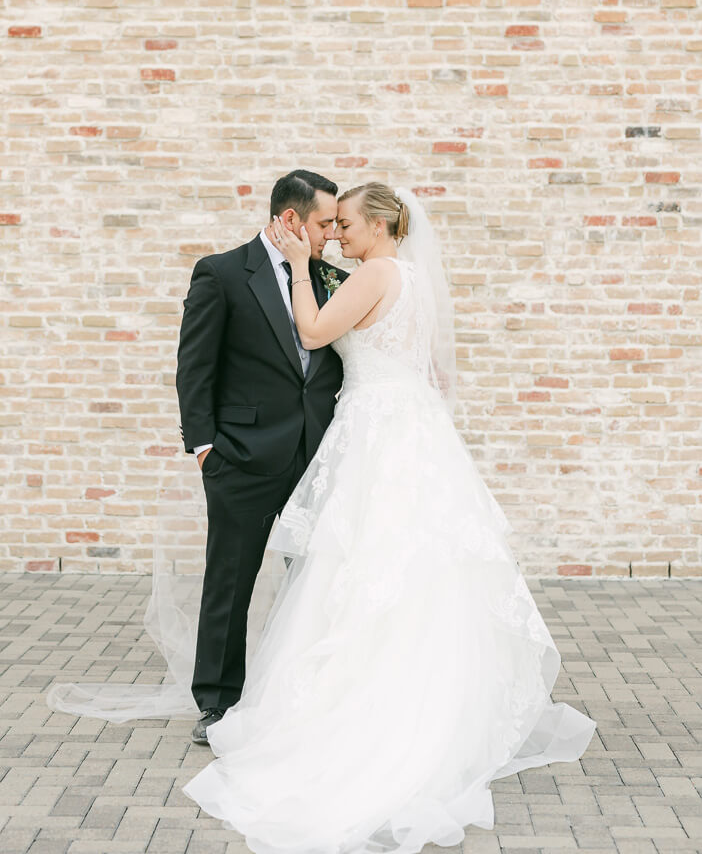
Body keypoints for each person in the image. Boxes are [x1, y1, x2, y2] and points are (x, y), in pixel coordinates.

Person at [182, 183, 597, 853]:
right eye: (331, 224)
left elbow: (315, 332)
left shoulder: (372, 272)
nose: (337, 236)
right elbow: (431, 371)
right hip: (412, 434)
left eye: (345, 223)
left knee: (360, 568)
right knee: (408, 571)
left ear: (378, 223)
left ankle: (361, 716)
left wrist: (295, 270)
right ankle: (426, 710)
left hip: (375, 436)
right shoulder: (413, 279)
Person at [175, 169, 349, 744]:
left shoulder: (329, 277)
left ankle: (305, 697)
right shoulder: (223, 273)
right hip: (241, 460)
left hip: (315, 454)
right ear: (291, 219)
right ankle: (218, 703)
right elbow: (194, 369)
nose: (333, 234)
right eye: (325, 223)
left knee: (316, 583)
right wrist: (205, 450)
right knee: (231, 580)